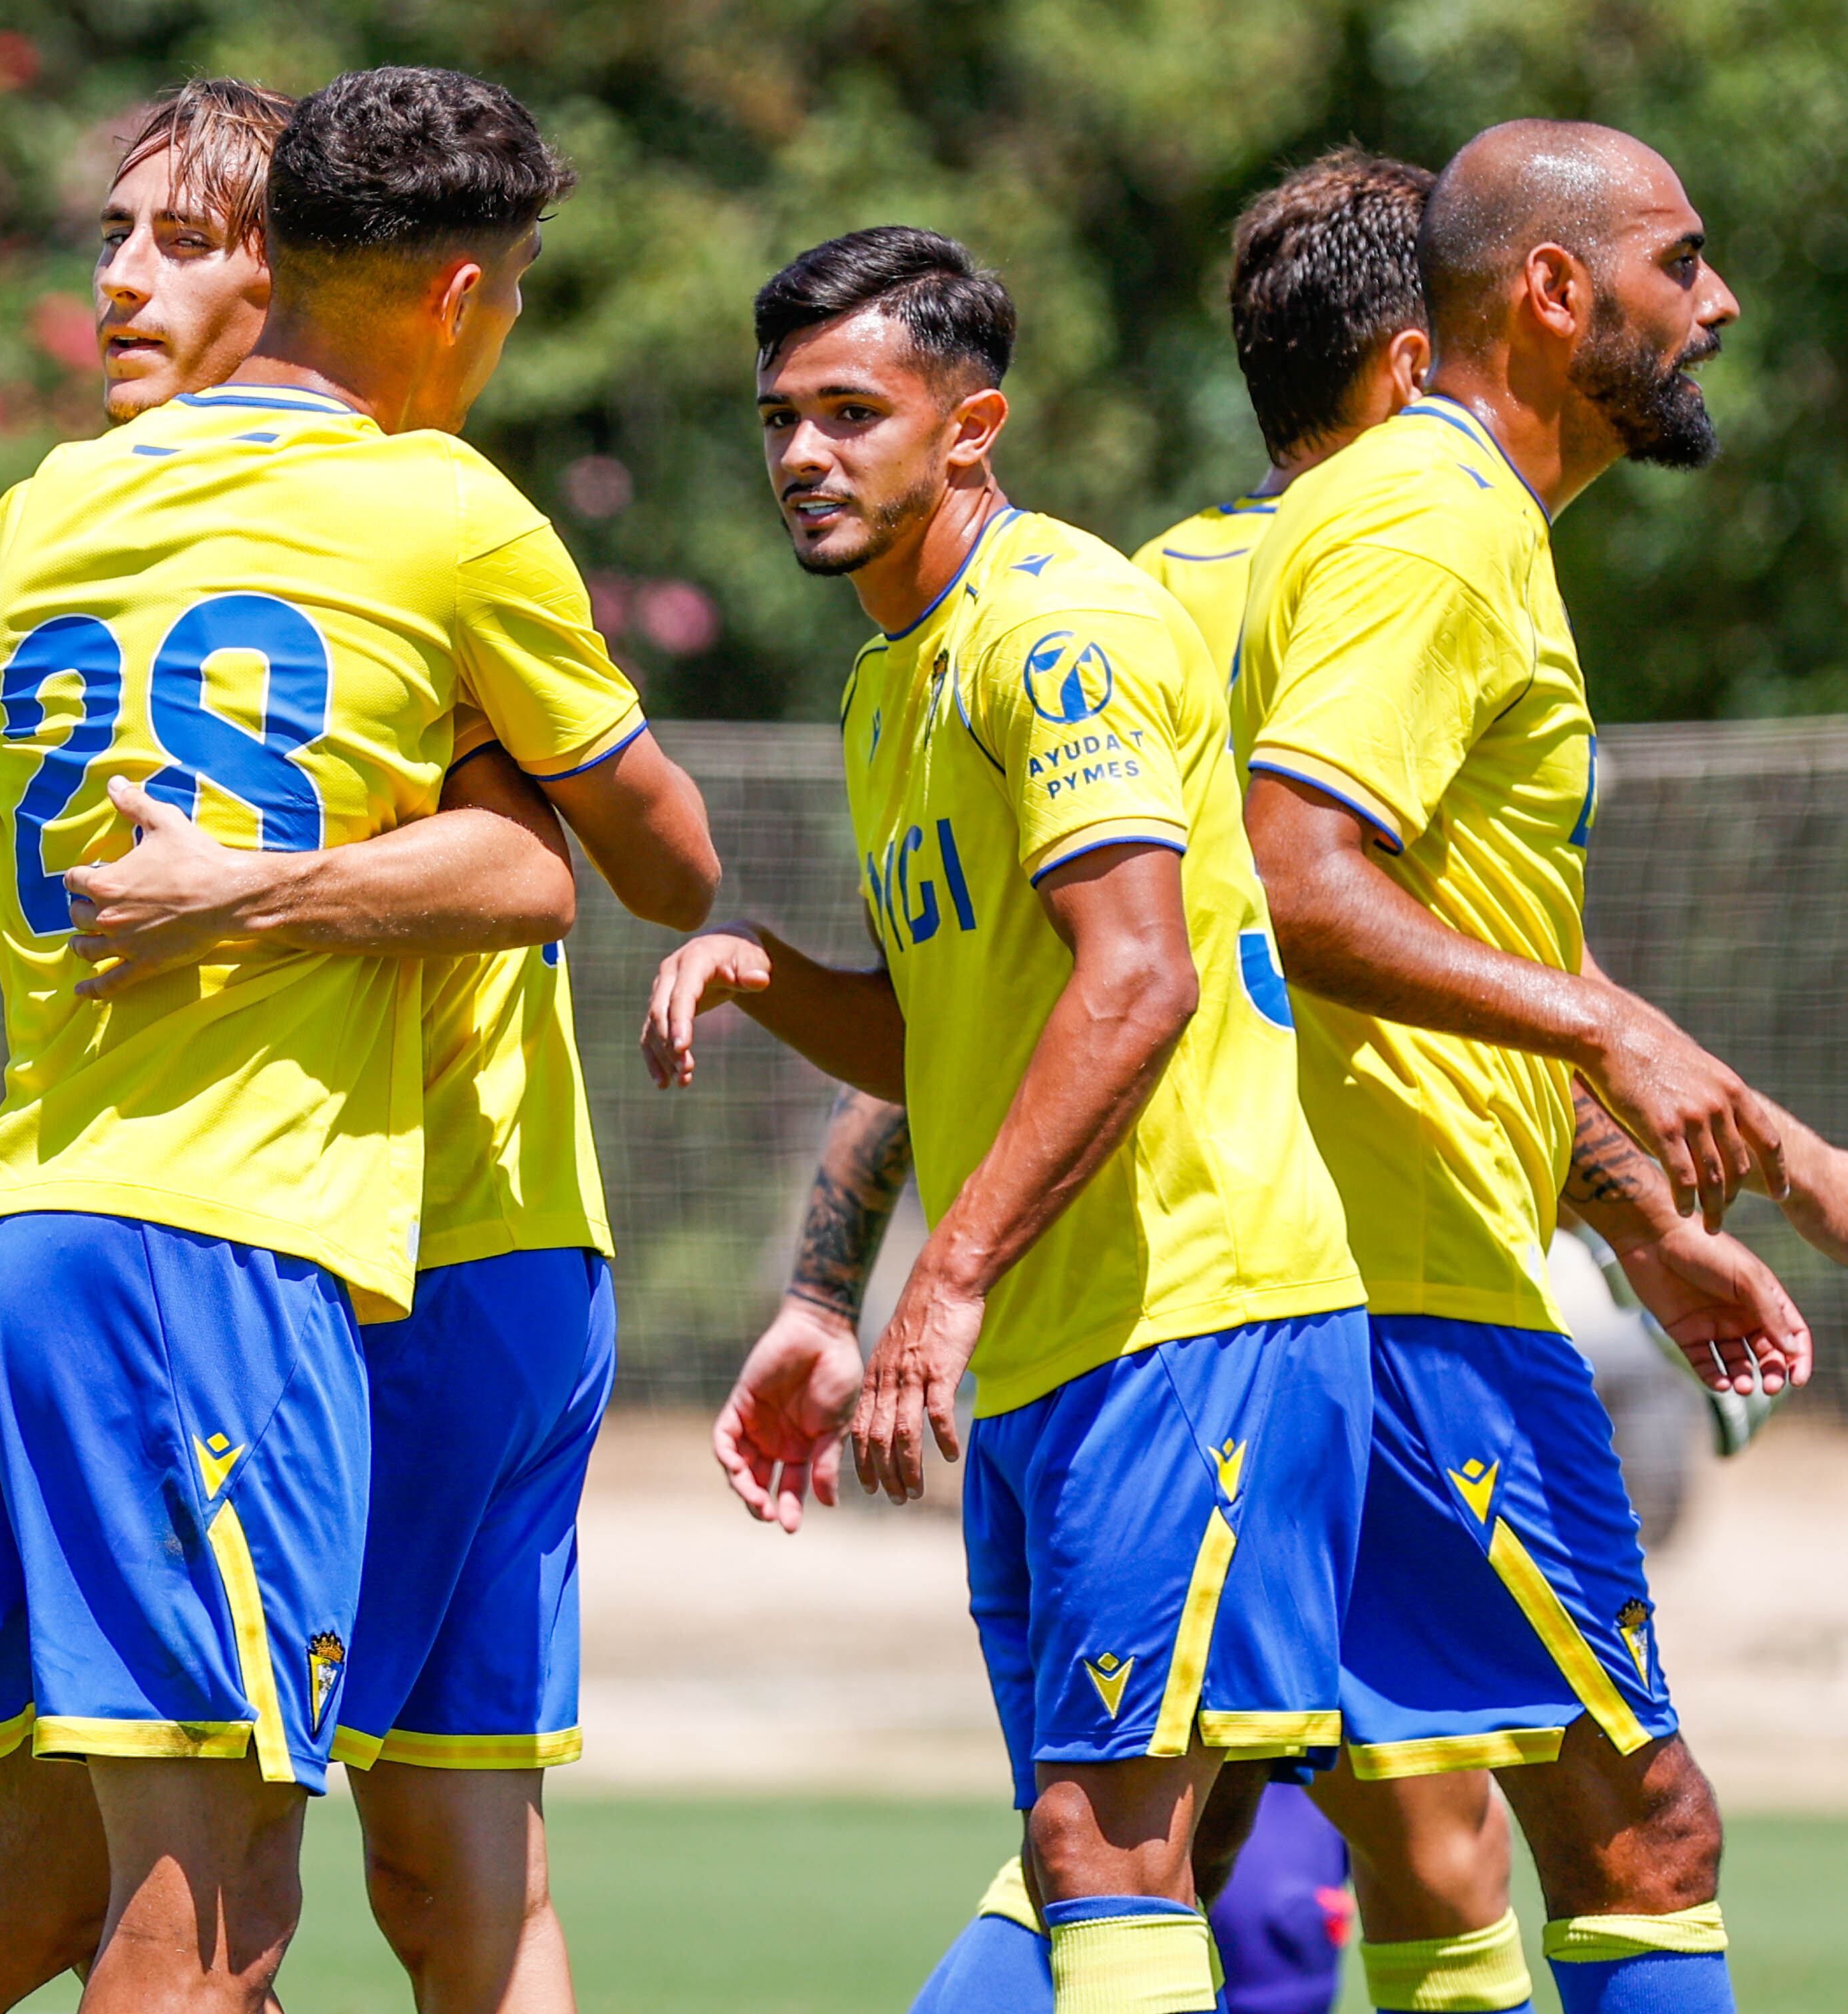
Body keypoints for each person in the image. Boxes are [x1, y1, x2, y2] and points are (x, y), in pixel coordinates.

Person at [0, 67, 716, 2014]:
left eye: (179, 238)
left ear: (275, 271)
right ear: (467, 293)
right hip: (223, 1247)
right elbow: (613, 871)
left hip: (134, 1233)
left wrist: (46, 680)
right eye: (109, 237)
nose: (123, 279)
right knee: (210, 1910)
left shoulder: (51, 511)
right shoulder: (429, 523)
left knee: (97, 1898)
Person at [647, 225, 1371, 2014]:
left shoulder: (1054, 628)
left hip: (1190, 1316)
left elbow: (1138, 977)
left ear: (968, 428)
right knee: (1128, 1848)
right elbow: (938, 1027)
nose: (802, 455)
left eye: (849, 412)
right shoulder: (889, 679)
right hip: (1066, 1349)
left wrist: (941, 1277)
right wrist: (760, 974)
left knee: (1105, 1844)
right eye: (778, 419)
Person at [1236, 119, 1816, 2014]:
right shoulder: (1434, 519)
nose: (1713, 302)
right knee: (1634, 1834)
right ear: (1553, 294)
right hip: (1405, 1296)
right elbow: (1299, 883)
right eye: (1679, 261)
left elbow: (1449, 925)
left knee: (1192, 1839)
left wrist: (1650, 1212)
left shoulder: (1393, 515)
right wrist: (1611, 1029)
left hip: (1333, 1274)